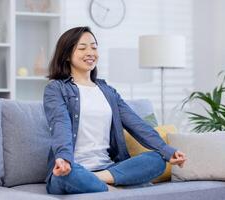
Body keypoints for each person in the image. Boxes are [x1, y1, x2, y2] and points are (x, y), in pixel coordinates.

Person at [43, 26, 187, 195]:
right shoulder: (56, 89)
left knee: (157, 160)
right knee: (65, 176)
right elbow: (61, 124)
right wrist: (64, 158)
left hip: (108, 167)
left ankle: (99, 182)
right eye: (82, 48)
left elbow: (137, 124)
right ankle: (119, 186)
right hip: (72, 168)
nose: (90, 52)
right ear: (67, 55)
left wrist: (167, 150)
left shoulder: (108, 91)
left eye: (94, 47)